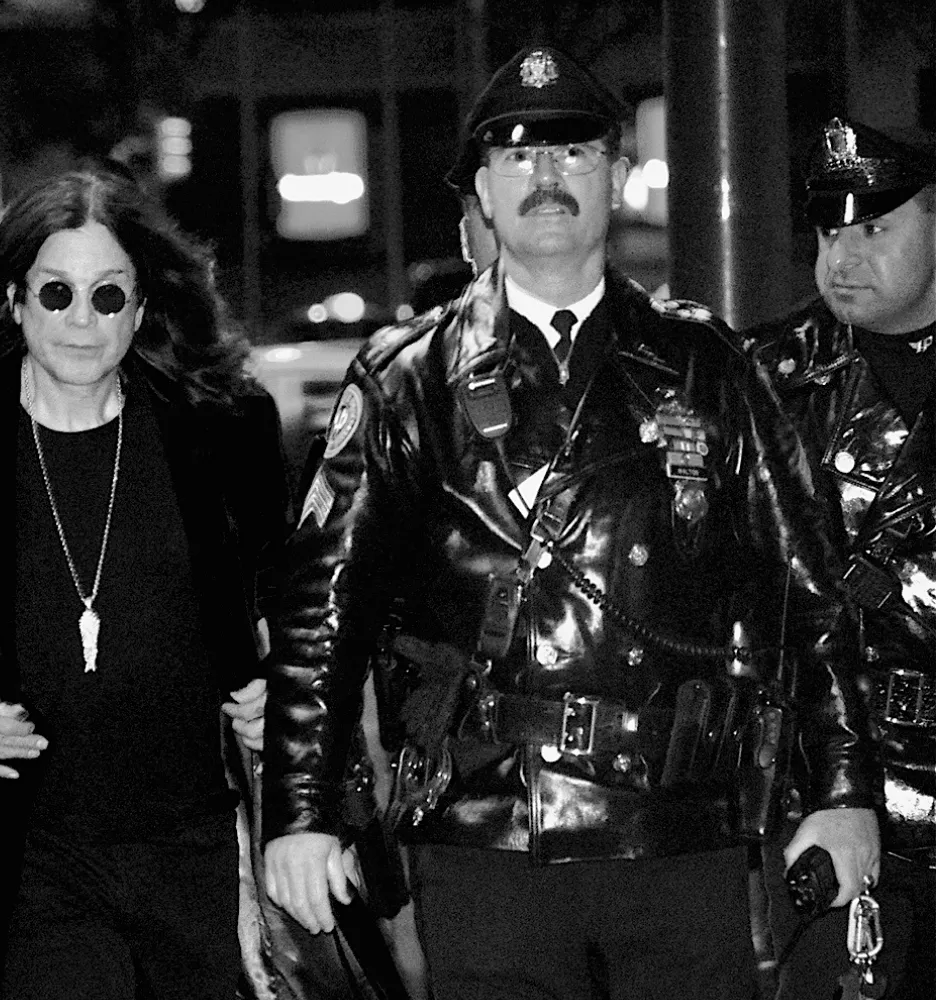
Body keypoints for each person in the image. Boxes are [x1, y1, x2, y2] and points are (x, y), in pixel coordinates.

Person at [262, 46, 881, 999]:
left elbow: (809, 594)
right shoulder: (408, 381)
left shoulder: (709, 367)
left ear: (616, 176)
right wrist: (301, 813)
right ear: (481, 189)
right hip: (487, 832)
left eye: (574, 154)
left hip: (678, 830)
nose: (546, 177)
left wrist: (844, 792)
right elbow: (323, 614)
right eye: (517, 156)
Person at [0, 169, 287, 999]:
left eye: (108, 295)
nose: (82, 321)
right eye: (57, 293)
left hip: (192, 849)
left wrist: (278, 688)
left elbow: (293, 605)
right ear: (14, 300)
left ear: (142, 306)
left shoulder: (225, 431)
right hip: (18, 854)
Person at [748, 118, 936, 1000]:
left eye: (875, 228)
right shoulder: (767, 378)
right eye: (830, 233)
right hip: (834, 792)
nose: (844, 258)